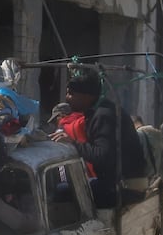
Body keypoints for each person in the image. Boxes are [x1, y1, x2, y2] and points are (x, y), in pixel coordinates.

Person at [51, 70, 148, 208]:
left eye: (71, 93)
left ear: (86, 96)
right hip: (117, 183)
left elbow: (103, 155)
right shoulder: (101, 110)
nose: (67, 98)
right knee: (72, 186)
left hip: (124, 188)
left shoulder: (103, 115)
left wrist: (73, 144)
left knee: (62, 192)